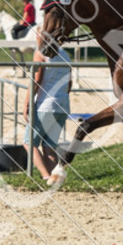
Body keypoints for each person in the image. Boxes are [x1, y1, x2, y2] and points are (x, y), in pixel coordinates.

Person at [22, 46, 71, 182]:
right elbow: (70, 82)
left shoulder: (40, 53)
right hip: (63, 104)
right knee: (49, 147)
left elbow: (37, 80)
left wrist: (27, 103)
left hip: (46, 105)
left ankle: (46, 176)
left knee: (29, 143)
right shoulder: (65, 54)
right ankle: (56, 179)